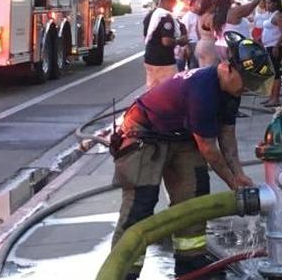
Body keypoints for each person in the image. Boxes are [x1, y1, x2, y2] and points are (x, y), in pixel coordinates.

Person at [110, 35, 272, 279]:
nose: (246, 89)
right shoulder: (203, 89)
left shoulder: (231, 89)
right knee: (141, 204)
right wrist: (232, 184)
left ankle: (191, 264)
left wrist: (240, 174)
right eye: (246, 82)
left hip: (180, 136)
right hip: (145, 134)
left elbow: (227, 136)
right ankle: (123, 272)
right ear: (228, 67)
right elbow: (209, 149)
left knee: (194, 194)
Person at [143, 0, 182, 89]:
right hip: (164, 60)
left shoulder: (150, 15)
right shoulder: (165, 17)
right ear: (168, 3)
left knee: (152, 90)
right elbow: (166, 41)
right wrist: (178, 41)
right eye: (173, 5)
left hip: (149, 57)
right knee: (170, 90)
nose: (173, 8)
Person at [256, 0, 282, 107]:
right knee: (271, 73)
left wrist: (276, 46)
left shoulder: (278, 16)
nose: (267, 5)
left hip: (275, 47)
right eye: (266, 2)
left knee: (276, 73)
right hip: (268, 46)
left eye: (269, 3)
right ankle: (271, 97)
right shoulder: (270, 14)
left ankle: (275, 98)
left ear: (275, 3)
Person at [194, 0, 219, 69]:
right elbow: (214, 33)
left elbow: (196, 30)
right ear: (210, 5)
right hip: (210, 45)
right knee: (211, 70)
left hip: (200, 43)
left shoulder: (199, 17)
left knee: (201, 70)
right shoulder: (211, 17)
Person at [181, 0, 202, 70]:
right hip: (192, 43)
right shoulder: (188, 16)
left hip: (198, 43)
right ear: (193, 4)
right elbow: (184, 32)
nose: (201, 4)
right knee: (193, 65)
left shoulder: (199, 15)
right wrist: (186, 46)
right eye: (199, 2)